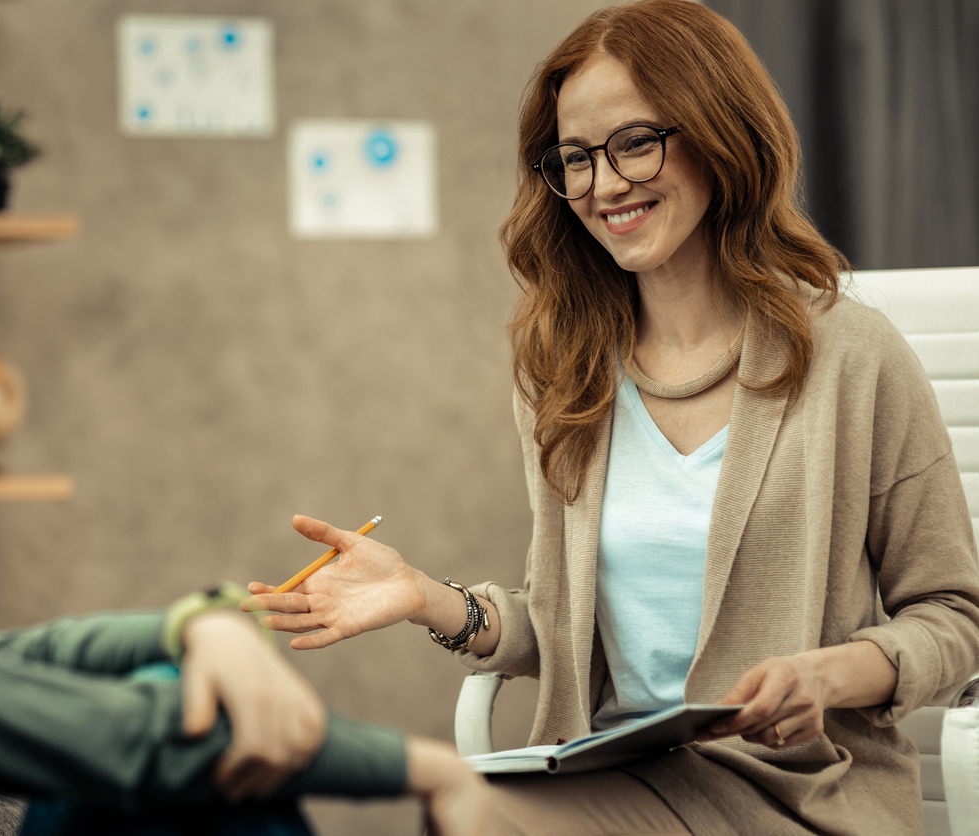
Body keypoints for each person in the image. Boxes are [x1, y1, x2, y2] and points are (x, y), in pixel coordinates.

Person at [243, 1, 979, 834]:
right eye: (576, 158)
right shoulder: (565, 375)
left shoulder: (852, 354)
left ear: (720, 134)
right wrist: (423, 597)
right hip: (622, 774)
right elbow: (570, 632)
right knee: (460, 810)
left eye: (634, 142)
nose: (604, 185)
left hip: (795, 797)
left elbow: (955, 617)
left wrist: (830, 675)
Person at [0, 293, 487, 836]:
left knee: (167, 675)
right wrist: (428, 768)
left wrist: (198, 626)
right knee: (193, 731)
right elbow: (147, 742)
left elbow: (20, 658)